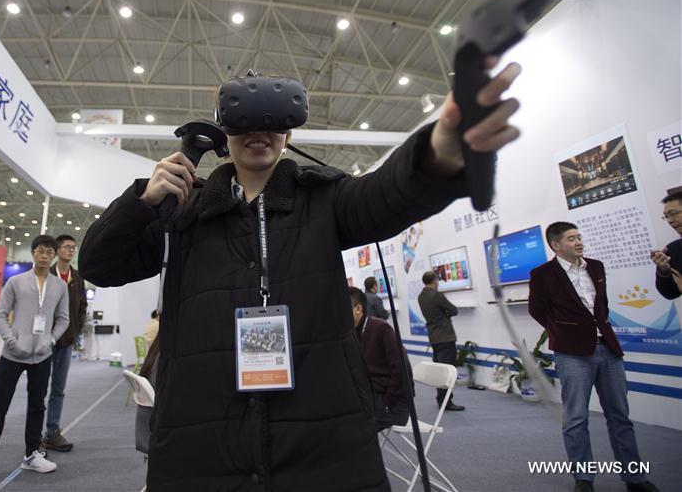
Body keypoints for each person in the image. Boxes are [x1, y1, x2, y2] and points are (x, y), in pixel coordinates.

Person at [79, 60, 522, 491]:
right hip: (201, 439)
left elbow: (386, 194)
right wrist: (141, 201)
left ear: (289, 132)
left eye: (272, 123)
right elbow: (99, 265)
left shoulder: (325, 198)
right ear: (222, 133)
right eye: (244, 123)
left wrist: (437, 152)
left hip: (322, 439)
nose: (259, 134)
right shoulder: (184, 210)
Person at [528, 222, 659, 492]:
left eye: (579, 237)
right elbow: (537, 310)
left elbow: (602, 306)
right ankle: (584, 478)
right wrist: (563, 331)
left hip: (607, 348)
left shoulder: (596, 267)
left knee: (620, 416)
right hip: (572, 353)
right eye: (571, 238)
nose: (578, 242)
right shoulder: (542, 274)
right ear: (556, 245)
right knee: (576, 417)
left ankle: (634, 477)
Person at [0, 235, 69, 491]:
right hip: (12, 355)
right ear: (33, 253)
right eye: (40, 251)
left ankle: (32, 454)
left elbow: (63, 319)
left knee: (37, 406)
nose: (44, 256)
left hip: (42, 356)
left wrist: (50, 340)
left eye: (49, 252)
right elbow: (1, 316)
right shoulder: (16, 282)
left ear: (54, 255)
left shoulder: (59, 286)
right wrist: (12, 341)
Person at [42, 234, 87, 453]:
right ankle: (34, 434)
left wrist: (76, 331)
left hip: (66, 341)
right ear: (57, 250)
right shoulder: (46, 275)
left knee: (58, 389)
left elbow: (82, 307)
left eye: (73, 247)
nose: (71, 250)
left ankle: (52, 432)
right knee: (39, 388)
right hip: (43, 342)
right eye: (67, 247)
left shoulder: (77, 278)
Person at [349, 287, 412, 430]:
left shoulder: (381, 328)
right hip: (369, 399)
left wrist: (386, 402)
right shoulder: (352, 333)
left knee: (348, 428)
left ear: (358, 309)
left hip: (392, 406)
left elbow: (403, 370)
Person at [417, 271, 464, 411]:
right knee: (447, 370)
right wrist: (446, 313)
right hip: (445, 337)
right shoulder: (436, 295)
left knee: (440, 369)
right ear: (435, 280)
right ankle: (446, 401)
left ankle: (442, 399)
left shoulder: (421, 296)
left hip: (434, 336)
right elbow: (453, 310)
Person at [650, 190, 682, 300]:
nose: (670, 220)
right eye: (666, 216)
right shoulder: (673, 249)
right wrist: (663, 270)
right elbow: (670, 294)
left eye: (673, 214)